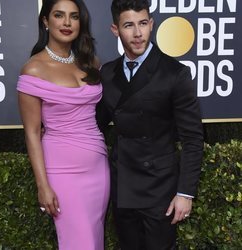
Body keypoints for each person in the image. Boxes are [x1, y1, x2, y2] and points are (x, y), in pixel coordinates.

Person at [97, 0, 204, 249]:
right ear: (115, 30)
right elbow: (96, 123)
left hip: (160, 189)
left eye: (143, 24)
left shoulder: (174, 73)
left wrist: (185, 193)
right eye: (129, 25)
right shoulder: (108, 73)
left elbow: (192, 138)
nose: (137, 33)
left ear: (151, 24)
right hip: (122, 184)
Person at [17, 0, 110, 249]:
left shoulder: (91, 63)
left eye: (74, 17)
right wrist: (43, 185)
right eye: (59, 15)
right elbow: (32, 132)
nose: (67, 23)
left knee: (94, 240)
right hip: (62, 171)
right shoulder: (33, 69)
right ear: (46, 22)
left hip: (98, 168)